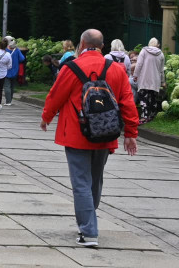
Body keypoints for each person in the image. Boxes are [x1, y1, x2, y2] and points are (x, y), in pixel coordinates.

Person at [40, 29, 139, 247]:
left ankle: (89, 231)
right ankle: (88, 219)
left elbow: (56, 95)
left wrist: (46, 117)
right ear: (102, 46)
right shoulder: (116, 69)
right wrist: (131, 133)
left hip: (76, 133)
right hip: (105, 132)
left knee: (81, 183)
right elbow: (127, 102)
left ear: (82, 44)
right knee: (95, 180)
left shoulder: (71, 68)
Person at [133, 37, 166, 123]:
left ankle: (145, 116)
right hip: (155, 80)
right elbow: (161, 70)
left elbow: (139, 64)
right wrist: (163, 81)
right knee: (153, 97)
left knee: (143, 97)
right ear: (157, 44)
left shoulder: (144, 51)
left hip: (144, 78)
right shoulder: (161, 54)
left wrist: (135, 75)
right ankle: (152, 114)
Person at [4, 38, 25, 106]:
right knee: (12, 86)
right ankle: (10, 100)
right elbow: (22, 58)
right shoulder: (17, 50)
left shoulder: (5, 50)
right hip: (15, 70)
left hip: (6, 70)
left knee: (7, 86)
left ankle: (8, 101)